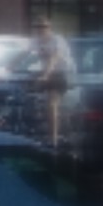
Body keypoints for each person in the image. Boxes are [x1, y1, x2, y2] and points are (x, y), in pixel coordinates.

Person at [26, 16, 76, 145]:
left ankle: (53, 138)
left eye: (44, 27)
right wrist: (6, 68)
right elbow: (24, 54)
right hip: (47, 73)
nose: (40, 30)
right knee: (28, 96)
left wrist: (46, 75)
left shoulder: (57, 40)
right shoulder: (35, 41)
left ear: (49, 28)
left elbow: (54, 58)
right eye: (37, 27)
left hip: (62, 73)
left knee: (51, 102)